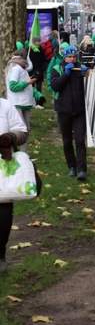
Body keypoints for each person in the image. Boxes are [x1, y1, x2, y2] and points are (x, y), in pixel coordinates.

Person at [50, 46, 89, 181]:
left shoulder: (80, 68)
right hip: (63, 110)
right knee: (67, 141)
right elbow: (55, 86)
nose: (72, 59)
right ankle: (71, 166)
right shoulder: (57, 69)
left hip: (79, 110)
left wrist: (86, 75)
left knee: (79, 140)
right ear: (64, 57)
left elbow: (89, 86)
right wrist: (65, 75)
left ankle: (82, 169)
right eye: (69, 57)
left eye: (73, 56)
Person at [0, 98, 28, 272]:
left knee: (2, 213)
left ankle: (0, 252)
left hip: (3, 168)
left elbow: (22, 132)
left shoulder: (5, 105)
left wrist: (10, 137)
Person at [5, 55, 35, 142]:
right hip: (18, 103)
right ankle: (18, 153)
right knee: (20, 131)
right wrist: (27, 82)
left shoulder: (22, 68)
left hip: (25, 103)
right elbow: (13, 87)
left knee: (26, 130)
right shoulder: (16, 69)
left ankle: (23, 153)